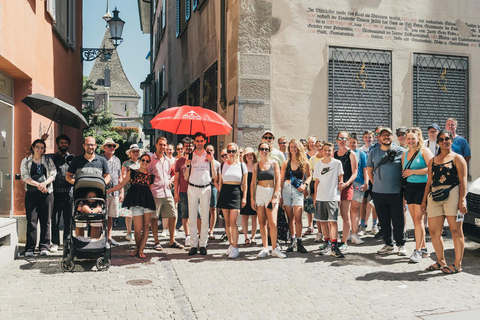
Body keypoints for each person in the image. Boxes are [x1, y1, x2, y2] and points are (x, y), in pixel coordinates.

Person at [421, 130, 468, 274]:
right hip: (434, 195)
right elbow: (429, 182)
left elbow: (463, 180)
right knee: (434, 231)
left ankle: (457, 264)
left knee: (455, 230)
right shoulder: (433, 160)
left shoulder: (457, 158)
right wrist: (424, 201)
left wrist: (462, 200)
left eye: (447, 138)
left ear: (451, 140)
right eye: (441, 139)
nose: (444, 141)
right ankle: (440, 261)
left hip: (452, 193)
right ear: (438, 142)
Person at [366, 128, 407, 256]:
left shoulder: (401, 151)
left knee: (398, 220)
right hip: (378, 192)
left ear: (392, 137)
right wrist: (376, 184)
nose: (386, 137)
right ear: (378, 138)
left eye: (388, 135)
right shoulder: (374, 152)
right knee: (383, 221)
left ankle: (401, 244)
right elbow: (369, 170)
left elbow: (404, 170)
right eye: (383, 135)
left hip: (395, 192)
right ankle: (388, 244)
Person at [108, 153, 156, 259]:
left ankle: (140, 250)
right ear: (140, 161)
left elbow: (150, 190)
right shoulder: (132, 173)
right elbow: (121, 184)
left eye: (147, 161)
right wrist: (109, 190)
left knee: (146, 226)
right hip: (136, 202)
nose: (145, 163)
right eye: (143, 160)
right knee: (137, 229)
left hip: (147, 202)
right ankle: (138, 248)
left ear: (149, 163)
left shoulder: (151, 176)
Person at [66, 137, 110, 240]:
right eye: (87, 144)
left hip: (97, 196)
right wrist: (77, 183)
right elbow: (68, 176)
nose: (90, 147)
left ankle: (94, 246)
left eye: (92, 144)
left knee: (96, 222)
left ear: (95, 146)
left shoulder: (102, 160)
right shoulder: (77, 160)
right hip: (81, 196)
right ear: (83, 146)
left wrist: (103, 183)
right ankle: (80, 244)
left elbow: (107, 175)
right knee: (80, 223)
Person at [402, 128, 433, 263]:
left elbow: (432, 168)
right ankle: (424, 247)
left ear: (418, 138)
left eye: (413, 138)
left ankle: (417, 250)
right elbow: (403, 172)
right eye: (408, 138)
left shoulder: (424, 151)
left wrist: (413, 172)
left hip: (422, 187)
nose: (410, 141)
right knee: (415, 219)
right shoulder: (404, 154)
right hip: (409, 188)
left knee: (419, 219)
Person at [21, 139, 56, 256]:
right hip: (32, 194)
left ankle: (44, 246)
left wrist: (45, 183)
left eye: (42, 147)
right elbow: (25, 177)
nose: (39, 149)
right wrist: (39, 185)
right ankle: (30, 247)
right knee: (31, 220)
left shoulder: (48, 160)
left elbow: (53, 174)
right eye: (37, 147)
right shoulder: (26, 161)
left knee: (46, 220)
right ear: (33, 147)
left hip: (47, 193)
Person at [184, 132, 217, 256]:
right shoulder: (190, 156)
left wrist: (212, 162)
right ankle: (193, 244)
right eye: (197, 141)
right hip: (192, 187)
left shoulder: (208, 155)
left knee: (204, 217)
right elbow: (186, 177)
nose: (199, 143)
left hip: (205, 188)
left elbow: (214, 175)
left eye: (201, 141)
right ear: (194, 142)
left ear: (204, 141)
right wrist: (187, 165)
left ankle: (203, 243)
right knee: (192, 217)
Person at [251, 142, 286, 258]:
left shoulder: (274, 163)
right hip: (260, 193)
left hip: (271, 193)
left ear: (269, 151)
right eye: (262, 149)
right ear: (259, 151)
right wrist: (252, 198)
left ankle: (275, 248)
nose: (264, 151)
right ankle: (265, 247)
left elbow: (278, 180)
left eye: (266, 149)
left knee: (273, 223)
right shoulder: (256, 165)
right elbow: (253, 183)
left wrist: (276, 195)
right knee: (262, 222)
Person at [148, 137, 183, 251]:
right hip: (155, 193)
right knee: (154, 217)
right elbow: (146, 174)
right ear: (156, 145)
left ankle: (172, 240)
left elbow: (172, 175)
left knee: (173, 215)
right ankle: (156, 241)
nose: (163, 147)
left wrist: (170, 181)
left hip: (167, 192)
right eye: (161, 145)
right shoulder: (151, 159)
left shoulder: (168, 160)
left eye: (164, 145)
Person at [314, 142, 344, 258]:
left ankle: (334, 245)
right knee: (323, 221)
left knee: (333, 221)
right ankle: (327, 243)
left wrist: (339, 196)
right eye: (325, 150)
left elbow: (340, 180)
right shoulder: (317, 165)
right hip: (321, 197)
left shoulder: (337, 163)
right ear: (322, 151)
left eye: (329, 150)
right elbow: (316, 182)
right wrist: (315, 198)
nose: (327, 152)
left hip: (332, 197)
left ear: (333, 152)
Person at [217, 143, 247, 259]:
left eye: (233, 151)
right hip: (225, 192)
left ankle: (235, 246)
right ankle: (230, 245)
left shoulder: (241, 165)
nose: (230, 154)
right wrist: (220, 193)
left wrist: (244, 197)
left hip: (236, 192)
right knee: (227, 222)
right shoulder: (222, 165)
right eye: (228, 151)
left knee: (234, 221)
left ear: (237, 152)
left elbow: (244, 184)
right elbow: (220, 181)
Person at [280, 139, 311, 253]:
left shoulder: (304, 162)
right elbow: (282, 178)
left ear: (299, 148)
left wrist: (305, 185)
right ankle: (292, 241)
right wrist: (279, 194)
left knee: (298, 217)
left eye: (295, 147)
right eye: (291, 147)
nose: (293, 149)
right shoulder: (285, 163)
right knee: (290, 217)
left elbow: (309, 176)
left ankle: (300, 241)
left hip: (298, 190)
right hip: (286, 190)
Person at [45, 134, 74, 253]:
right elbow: (37, 154)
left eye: (66, 143)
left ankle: (67, 241)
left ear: (68, 145)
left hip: (68, 193)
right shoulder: (51, 157)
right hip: (55, 193)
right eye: (61, 143)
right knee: (55, 219)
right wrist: (42, 140)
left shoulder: (72, 158)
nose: (63, 145)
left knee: (68, 219)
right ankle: (55, 243)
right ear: (58, 144)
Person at [334, 131, 358, 252]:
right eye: (340, 138)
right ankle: (333, 240)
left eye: (344, 138)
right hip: (334, 188)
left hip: (346, 187)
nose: (342, 140)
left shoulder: (351, 154)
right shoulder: (333, 154)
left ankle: (344, 241)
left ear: (348, 139)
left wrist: (347, 184)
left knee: (345, 215)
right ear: (336, 140)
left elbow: (355, 172)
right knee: (333, 215)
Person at [174, 138, 201, 247]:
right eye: (186, 145)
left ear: (193, 146)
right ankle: (188, 235)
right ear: (183, 147)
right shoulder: (179, 161)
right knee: (185, 214)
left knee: (198, 214)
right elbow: (176, 178)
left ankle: (200, 235)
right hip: (184, 191)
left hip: (196, 190)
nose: (188, 147)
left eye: (190, 145)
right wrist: (176, 193)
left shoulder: (197, 159)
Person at [101, 138, 123, 247]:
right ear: (104, 147)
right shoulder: (100, 159)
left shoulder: (117, 160)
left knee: (110, 216)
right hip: (103, 192)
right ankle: (100, 238)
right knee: (101, 216)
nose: (112, 148)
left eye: (113, 146)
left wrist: (122, 192)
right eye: (109, 146)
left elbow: (120, 177)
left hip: (114, 193)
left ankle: (109, 237)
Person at [348, 133, 367, 245]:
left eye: (354, 142)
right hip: (346, 184)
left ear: (357, 143)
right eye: (350, 142)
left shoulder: (361, 154)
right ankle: (349, 232)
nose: (352, 144)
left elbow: (365, 169)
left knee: (355, 209)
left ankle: (355, 233)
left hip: (358, 183)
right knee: (347, 210)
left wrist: (366, 182)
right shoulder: (344, 153)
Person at [359, 130, 378, 235]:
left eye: (370, 137)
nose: (368, 139)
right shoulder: (360, 150)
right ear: (363, 138)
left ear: (373, 138)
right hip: (364, 179)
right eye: (366, 137)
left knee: (374, 203)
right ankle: (363, 225)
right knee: (364, 203)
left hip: (375, 178)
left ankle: (374, 225)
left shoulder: (376, 148)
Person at [122, 144, 141, 241]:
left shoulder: (142, 163)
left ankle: (137, 231)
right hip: (128, 190)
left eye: (137, 151)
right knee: (129, 212)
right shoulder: (126, 163)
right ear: (130, 153)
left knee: (139, 211)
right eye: (134, 151)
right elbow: (123, 176)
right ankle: (129, 232)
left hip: (140, 190)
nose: (136, 153)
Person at [240, 147, 258, 246]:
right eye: (247, 155)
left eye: (251, 154)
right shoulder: (242, 166)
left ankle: (253, 236)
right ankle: (246, 237)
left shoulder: (257, 166)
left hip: (254, 193)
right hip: (244, 193)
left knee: (254, 216)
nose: (249, 156)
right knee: (244, 215)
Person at [309, 140, 325, 242]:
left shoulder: (327, 158)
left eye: (320, 146)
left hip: (325, 185)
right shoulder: (312, 159)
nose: (319, 148)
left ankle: (327, 232)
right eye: (317, 146)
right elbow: (310, 174)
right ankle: (319, 232)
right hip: (315, 184)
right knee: (317, 208)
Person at [206, 144, 221, 240]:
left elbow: (216, 177)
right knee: (203, 208)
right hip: (204, 185)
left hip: (213, 185)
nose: (209, 152)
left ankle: (211, 230)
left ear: (214, 152)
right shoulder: (202, 162)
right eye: (207, 151)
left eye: (211, 150)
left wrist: (211, 162)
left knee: (213, 209)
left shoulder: (217, 164)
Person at [304, 135, 317, 236]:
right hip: (309, 181)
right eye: (310, 142)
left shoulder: (320, 154)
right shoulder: (305, 155)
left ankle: (317, 221)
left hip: (318, 182)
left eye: (313, 142)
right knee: (309, 203)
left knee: (317, 201)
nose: (312, 144)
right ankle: (310, 224)